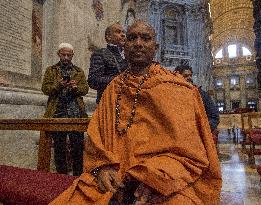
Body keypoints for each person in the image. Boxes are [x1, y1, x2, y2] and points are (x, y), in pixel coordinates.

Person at [50, 21, 221, 205]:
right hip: (113, 177)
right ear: (124, 46)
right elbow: (96, 138)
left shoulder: (178, 89)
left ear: (155, 47)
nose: (138, 43)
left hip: (166, 178)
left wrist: (155, 179)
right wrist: (102, 168)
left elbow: (190, 152)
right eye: (132, 38)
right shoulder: (113, 88)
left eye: (145, 38)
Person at [42, 43, 89, 176]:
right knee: (59, 147)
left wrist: (75, 88)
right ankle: (61, 177)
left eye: (69, 55)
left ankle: (78, 176)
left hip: (76, 114)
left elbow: (85, 89)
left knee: (77, 148)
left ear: (73, 55)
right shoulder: (51, 70)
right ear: (59, 54)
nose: (66, 57)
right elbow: (45, 89)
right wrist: (59, 85)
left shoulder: (79, 71)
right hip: (58, 113)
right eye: (64, 54)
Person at [88, 23, 127, 104]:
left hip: (126, 103)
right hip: (108, 103)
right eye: (118, 32)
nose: (123, 35)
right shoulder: (100, 54)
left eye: (124, 32)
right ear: (108, 37)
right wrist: (118, 79)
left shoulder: (129, 55)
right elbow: (93, 81)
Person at [175, 65, 220, 132]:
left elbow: (214, 117)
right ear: (177, 77)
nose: (189, 78)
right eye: (185, 76)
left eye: (190, 75)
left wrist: (201, 128)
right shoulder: (173, 94)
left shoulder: (202, 94)